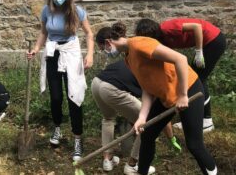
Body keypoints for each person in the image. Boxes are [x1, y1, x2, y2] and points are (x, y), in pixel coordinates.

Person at [98, 22, 217, 175]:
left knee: (194, 144)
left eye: (103, 49)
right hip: (166, 96)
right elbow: (147, 88)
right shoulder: (129, 59)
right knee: (146, 134)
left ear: (108, 42)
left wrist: (182, 95)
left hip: (189, 89)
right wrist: (142, 117)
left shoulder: (139, 43)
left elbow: (180, 59)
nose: (105, 53)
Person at [92, 28, 180, 174]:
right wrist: (171, 138)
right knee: (147, 124)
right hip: (111, 89)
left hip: (97, 82)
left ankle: (107, 160)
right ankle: (133, 164)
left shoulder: (131, 58)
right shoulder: (155, 73)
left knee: (108, 118)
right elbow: (159, 112)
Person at [27, 0, 94, 161]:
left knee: (74, 96)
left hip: (71, 54)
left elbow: (89, 33)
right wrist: (35, 49)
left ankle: (78, 138)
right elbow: (43, 32)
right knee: (56, 97)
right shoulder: (46, 10)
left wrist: (90, 54)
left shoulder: (77, 11)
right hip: (53, 53)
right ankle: (57, 129)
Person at [135, 18, 226, 132]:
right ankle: (194, 118)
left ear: (154, 33)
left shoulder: (167, 28)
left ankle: (206, 120)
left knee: (198, 79)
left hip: (213, 40)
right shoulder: (158, 42)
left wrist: (199, 52)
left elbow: (196, 27)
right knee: (196, 77)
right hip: (207, 43)